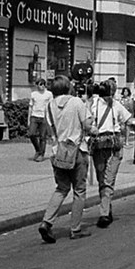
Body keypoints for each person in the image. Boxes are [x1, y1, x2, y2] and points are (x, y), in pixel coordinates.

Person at [37, 75, 94, 243]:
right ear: (68, 87)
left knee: (61, 188)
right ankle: (75, 229)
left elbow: (49, 130)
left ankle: (46, 222)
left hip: (57, 151)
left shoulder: (49, 106)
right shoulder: (77, 102)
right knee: (79, 190)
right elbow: (87, 125)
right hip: (77, 150)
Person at [86, 80, 132, 229]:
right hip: (99, 146)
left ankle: (104, 213)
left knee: (108, 179)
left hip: (114, 146)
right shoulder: (93, 104)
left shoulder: (117, 105)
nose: (109, 96)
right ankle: (107, 207)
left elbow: (128, 119)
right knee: (101, 179)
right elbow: (85, 122)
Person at [27, 79, 53, 161]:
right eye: (40, 84)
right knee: (31, 134)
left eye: (43, 84)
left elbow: (51, 106)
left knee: (43, 137)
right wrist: (28, 119)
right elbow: (30, 107)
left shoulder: (49, 94)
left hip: (44, 117)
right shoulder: (33, 94)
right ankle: (37, 150)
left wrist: (50, 119)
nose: (42, 86)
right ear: (37, 85)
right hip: (34, 116)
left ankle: (41, 154)